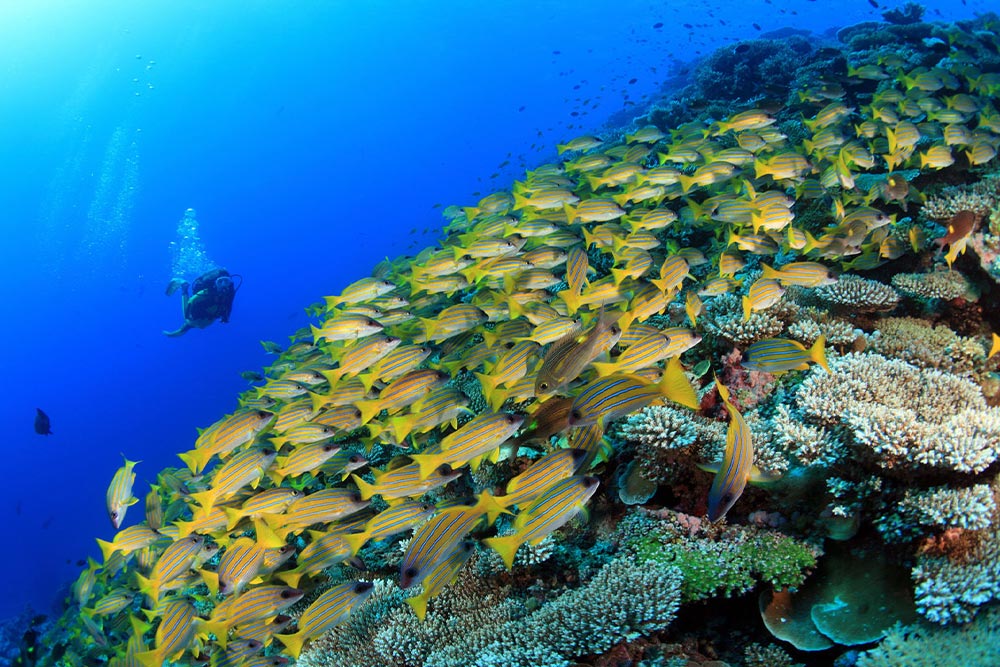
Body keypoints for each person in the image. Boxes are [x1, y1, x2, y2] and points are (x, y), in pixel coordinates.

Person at [163, 268, 239, 337]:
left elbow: (229, 304)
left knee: (192, 324)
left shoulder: (229, 294)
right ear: (215, 283)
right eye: (220, 281)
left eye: (226, 281)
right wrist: (187, 316)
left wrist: (226, 317)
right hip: (197, 316)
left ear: (230, 282)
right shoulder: (207, 292)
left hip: (204, 317)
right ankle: (184, 286)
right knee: (187, 320)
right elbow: (191, 300)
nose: (223, 285)